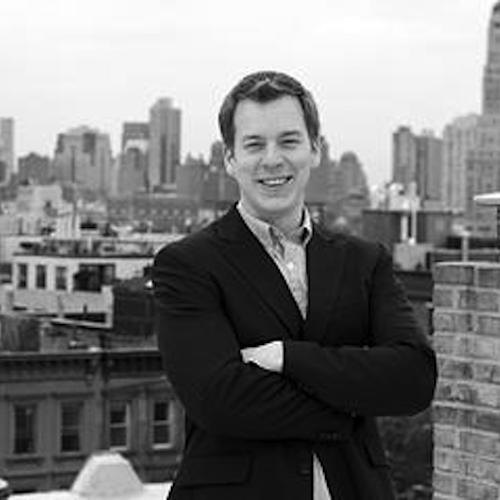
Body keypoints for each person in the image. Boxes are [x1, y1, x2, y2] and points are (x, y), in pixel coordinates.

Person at [152, 71, 437, 500]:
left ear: (314, 149)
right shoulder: (187, 264)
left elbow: (413, 378)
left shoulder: (364, 261)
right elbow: (219, 400)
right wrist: (354, 403)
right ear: (230, 159)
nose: (272, 159)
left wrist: (288, 357)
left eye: (288, 141)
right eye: (254, 145)